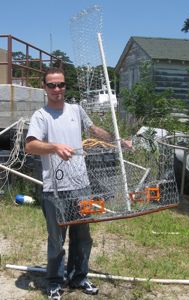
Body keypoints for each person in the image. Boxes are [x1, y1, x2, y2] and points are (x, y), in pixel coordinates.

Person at [25, 67, 131, 300]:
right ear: (45, 88)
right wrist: (54, 147)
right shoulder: (40, 116)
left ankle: (79, 277)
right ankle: (54, 281)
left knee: (83, 236)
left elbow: (94, 130)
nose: (57, 89)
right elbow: (30, 145)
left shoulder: (77, 110)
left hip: (81, 186)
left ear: (65, 86)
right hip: (54, 187)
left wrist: (118, 140)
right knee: (56, 238)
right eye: (51, 85)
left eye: (61, 84)